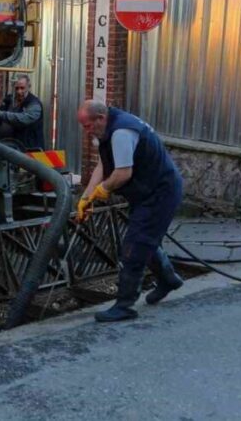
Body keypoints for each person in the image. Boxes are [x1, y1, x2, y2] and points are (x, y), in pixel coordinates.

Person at [76, 100, 184, 323]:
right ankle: (168, 279)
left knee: (134, 245)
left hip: (160, 192)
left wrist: (103, 189)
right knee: (145, 240)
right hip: (146, 192)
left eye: (87, 126)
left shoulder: (122, 132)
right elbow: (104, 165)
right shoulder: (109, 129)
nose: (86, 132)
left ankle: (124, 305)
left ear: (100, 118)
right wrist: (86, 198)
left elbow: (123, 173)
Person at [0, 75, 45, 150]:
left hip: (27, 150)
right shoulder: (8, 99)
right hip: (5, 146)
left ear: (29, 87)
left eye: (22, 88)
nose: (19, 91)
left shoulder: (34, 103)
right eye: (16, 88)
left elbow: (22, 119)